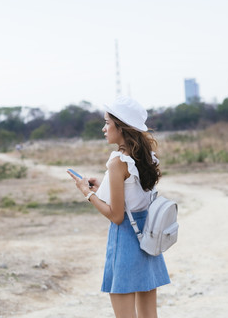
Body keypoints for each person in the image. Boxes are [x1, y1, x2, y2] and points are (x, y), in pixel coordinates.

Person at [68, 96, 170, 318]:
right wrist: (101, 186)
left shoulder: (117, 162)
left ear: (121, 127)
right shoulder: (146, 157)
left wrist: (87, 193)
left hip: (126, 241)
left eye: (107, 122)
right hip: (147, 238)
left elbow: (116, 216)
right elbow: (133, 196)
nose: (104, 128)